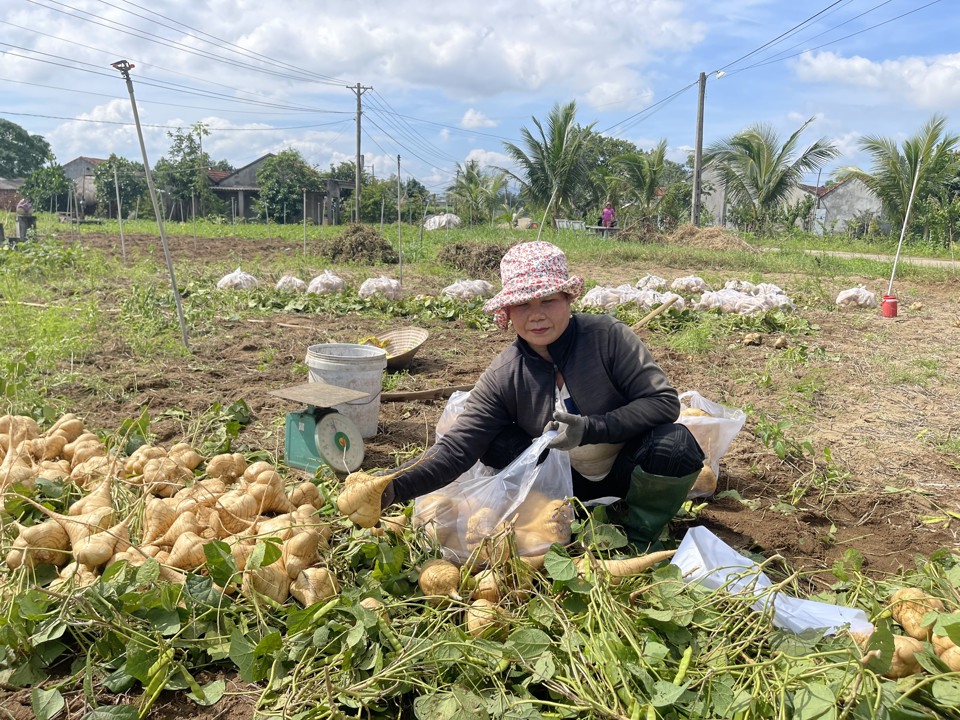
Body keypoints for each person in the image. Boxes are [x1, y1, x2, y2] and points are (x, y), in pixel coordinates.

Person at [374, 241, 704, 550]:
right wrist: (391, 486)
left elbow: (662, 402)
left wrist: (591, 428)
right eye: (522, 304)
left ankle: (638, 536)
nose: (536, 315)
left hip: (625, 471)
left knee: (675, 445)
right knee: (491, 440)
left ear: (567, 298)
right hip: (559, 486)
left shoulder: (608, 338)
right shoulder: (506, 372)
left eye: (548, 300)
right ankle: (551, 522)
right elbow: (457, 448)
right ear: (507, 310)